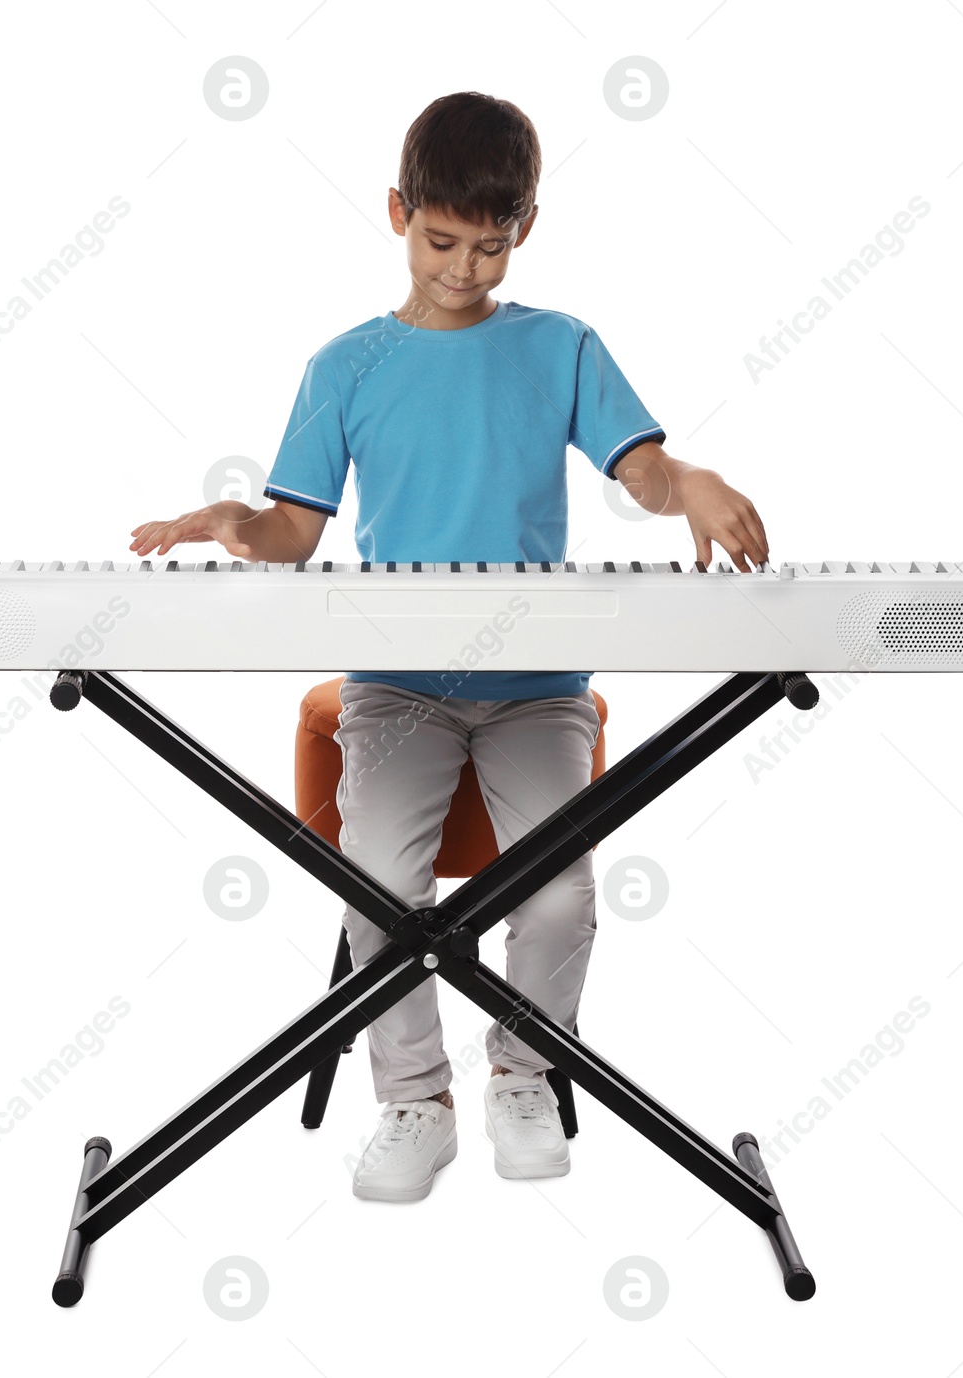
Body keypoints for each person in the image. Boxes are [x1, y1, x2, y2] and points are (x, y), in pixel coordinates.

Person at [129, 91, 768, 1202]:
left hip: (537, 689)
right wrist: (234, 523)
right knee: (377, 884)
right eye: (440, 241)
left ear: (526, 227)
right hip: (399, 689)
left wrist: (692, 482)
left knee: (561, 894)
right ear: (394, 214)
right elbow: (293, 530)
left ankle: (526, 1071)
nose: (466, 270)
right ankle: (413, 1098)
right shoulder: (345, 367)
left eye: (490, 244)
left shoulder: (560, 347)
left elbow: (647, 473)